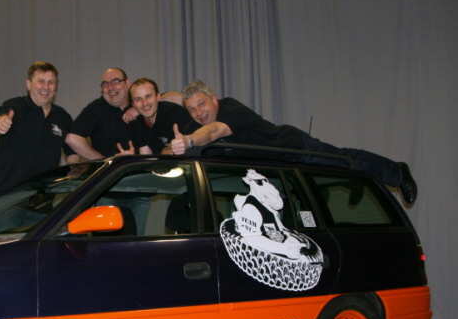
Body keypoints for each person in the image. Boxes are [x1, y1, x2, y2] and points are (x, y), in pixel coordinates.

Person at [170, 80, 418, 205]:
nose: (198, 112)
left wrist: (189, 140)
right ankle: (354, 181)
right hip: (279, 171)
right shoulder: (194, 123)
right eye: (191, 109)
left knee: (345, 159)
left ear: (214, 99)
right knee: (333, 176)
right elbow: (171, 113)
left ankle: (398, 173)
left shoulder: (231, 108)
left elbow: (213, 132)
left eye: (202, 104)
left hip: (295, 149)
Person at [0, 61, 77, 198]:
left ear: (56, 87)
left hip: (42, 198)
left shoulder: (63, 117)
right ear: (29, 84)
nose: (46, 87)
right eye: (41, 81)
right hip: (6, 196)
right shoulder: (16, 106)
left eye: (51, 82)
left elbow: (72, 152)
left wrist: (76, 171)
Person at [66, 68, 139, 160]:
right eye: (105, 84)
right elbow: (72, 138)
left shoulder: (140, 104)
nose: (110, 88)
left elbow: (156, 99)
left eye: (115, 82)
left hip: (141, 168)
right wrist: (104, 162)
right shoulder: (96, 108)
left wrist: (139, 109)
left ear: (127, 83)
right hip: (110, 169)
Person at [128, 78, 201, 154]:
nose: (145, 103)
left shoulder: (174, 113)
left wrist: (165, 151)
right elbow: (147, 157)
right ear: (133, 104)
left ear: (158, 97)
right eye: (138, 99)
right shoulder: (137, 124)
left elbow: (174, 153)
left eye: (148, 96)